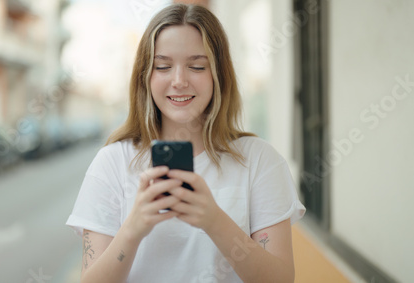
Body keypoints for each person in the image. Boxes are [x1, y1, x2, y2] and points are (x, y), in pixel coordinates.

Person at [66, 4, 306, 283]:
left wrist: (214, 220)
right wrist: (133, 229)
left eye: (197, 66)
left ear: (219, 75)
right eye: (163, 66)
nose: (179, 81)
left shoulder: (259, 160)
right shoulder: (112, 162)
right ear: (146, 76)